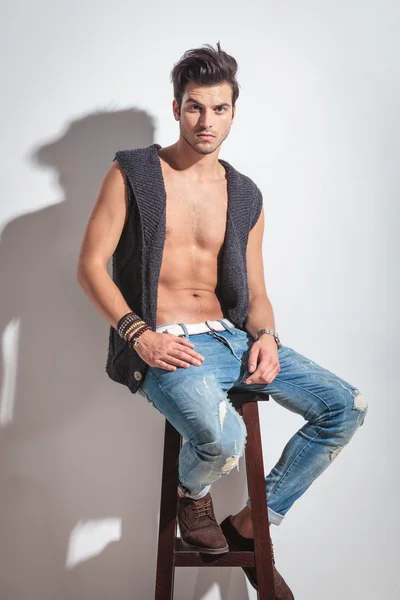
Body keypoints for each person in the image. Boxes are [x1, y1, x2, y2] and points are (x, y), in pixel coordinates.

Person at [77, 42, 368, 599]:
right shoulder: (133, 171)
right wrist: (138, 335)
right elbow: (90, 266)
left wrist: (266, 338)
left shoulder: (245, 194)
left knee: (345, 406)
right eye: (194, 107)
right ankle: (195, 498)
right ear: (176, 107)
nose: (206, 121)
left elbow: (257, 292)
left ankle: (252, 524)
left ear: (234, 111)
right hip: (164, 343)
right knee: (224, 439)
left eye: (219, 109)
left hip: (230, 338)